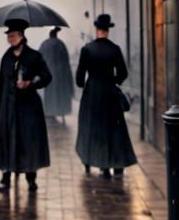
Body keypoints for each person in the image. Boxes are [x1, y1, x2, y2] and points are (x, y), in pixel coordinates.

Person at [0, 18, 52, 191]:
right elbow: (1, 83)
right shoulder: (6, 58)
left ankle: (31, 178)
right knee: (7, 141)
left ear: (22, 36)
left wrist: (31, 83)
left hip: (29, 107)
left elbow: (47, 77)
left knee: (28, 141)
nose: (11, 39)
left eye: (14, 36)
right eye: (9, 36)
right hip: (8, 107)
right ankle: (5, 178)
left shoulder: (34, 56)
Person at [75, 13, 137, 178]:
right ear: (108, 30)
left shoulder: (87, 50)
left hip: (92, 96)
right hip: (110, 93)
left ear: (97, 29)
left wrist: (87, 82)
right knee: (114, 129)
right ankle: (116, 165)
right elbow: (123, 73)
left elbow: (79, 80)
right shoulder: (115, 49)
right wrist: (113, 81)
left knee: (92, 128)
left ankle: (93, 161)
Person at [37, 27, 73, 123]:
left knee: (50, 95)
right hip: (60, 76)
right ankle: (60, 112)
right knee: (59, 95)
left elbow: (38, 59)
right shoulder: (61, 44)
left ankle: (50, 113)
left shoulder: (44, 44)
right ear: (56, 35)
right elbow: (66, 63)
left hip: (48, 75)